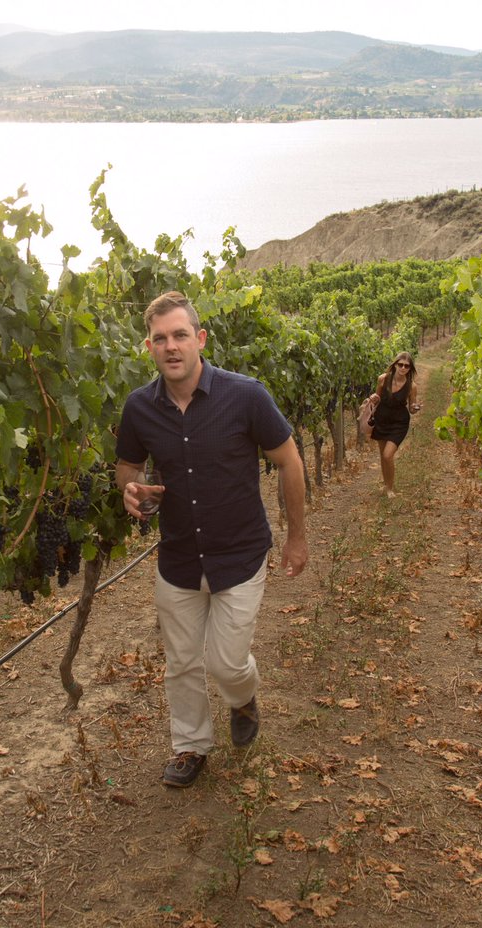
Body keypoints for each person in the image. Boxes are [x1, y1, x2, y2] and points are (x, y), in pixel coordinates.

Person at [115, 291, 308, 789]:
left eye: (180, 335)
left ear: (199, 339)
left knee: (226, 662)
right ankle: (190, 745)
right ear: (149, 347)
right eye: (160, 338)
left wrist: (297, 538)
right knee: (180, 662)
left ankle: (242, 698)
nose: (171, 346)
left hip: (239, 554)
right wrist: (132, 493)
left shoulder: (245, 396)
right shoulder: (139, 407)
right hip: (177, 556)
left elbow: (289, 461)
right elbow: (127, 469)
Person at [369, 351, 420, 498]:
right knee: (382, 456)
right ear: (395, 364)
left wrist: (415, 408)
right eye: (400, 364)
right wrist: (374, 397)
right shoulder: (383, 379)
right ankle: (386, 486)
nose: (403, 368)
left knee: (387, 455)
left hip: (399, 423)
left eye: (407, 366)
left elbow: (411, 408)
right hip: (382, 420)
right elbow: (377, 398)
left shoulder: (412, 386)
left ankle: (390, 488)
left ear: (410, 369)